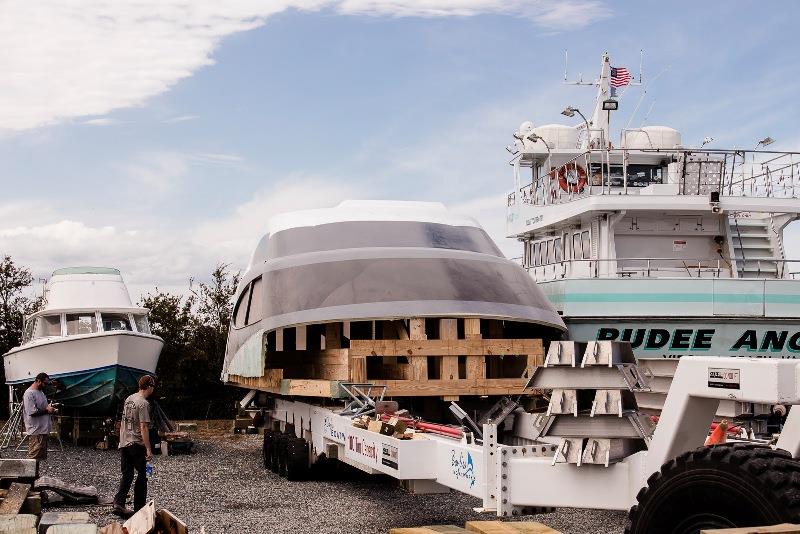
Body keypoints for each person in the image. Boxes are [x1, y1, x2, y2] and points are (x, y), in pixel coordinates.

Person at [113, 375, 156, 518]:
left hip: (124, 441)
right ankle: (139, 507)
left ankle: (119, 503)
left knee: (127, 474)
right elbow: (143, 427)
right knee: (143, 475)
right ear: (149, 386)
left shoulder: (129, 398)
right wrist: (148, 448)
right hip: (136, 443)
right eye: (153, 387)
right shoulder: (143, 403)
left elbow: (123, 420)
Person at [22, 372, 57, 461]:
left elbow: (44, 408)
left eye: (47, 383)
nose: (45, 385)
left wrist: (51, 409)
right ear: (38, 381)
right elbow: (32, 412)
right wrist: (47, 410)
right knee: (33, 458)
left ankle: (35, 474)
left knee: (39, 458)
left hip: (42, 430)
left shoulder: (40, 392)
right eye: (44, 383)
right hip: (35, 430)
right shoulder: (29, 393)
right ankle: (30, 474)